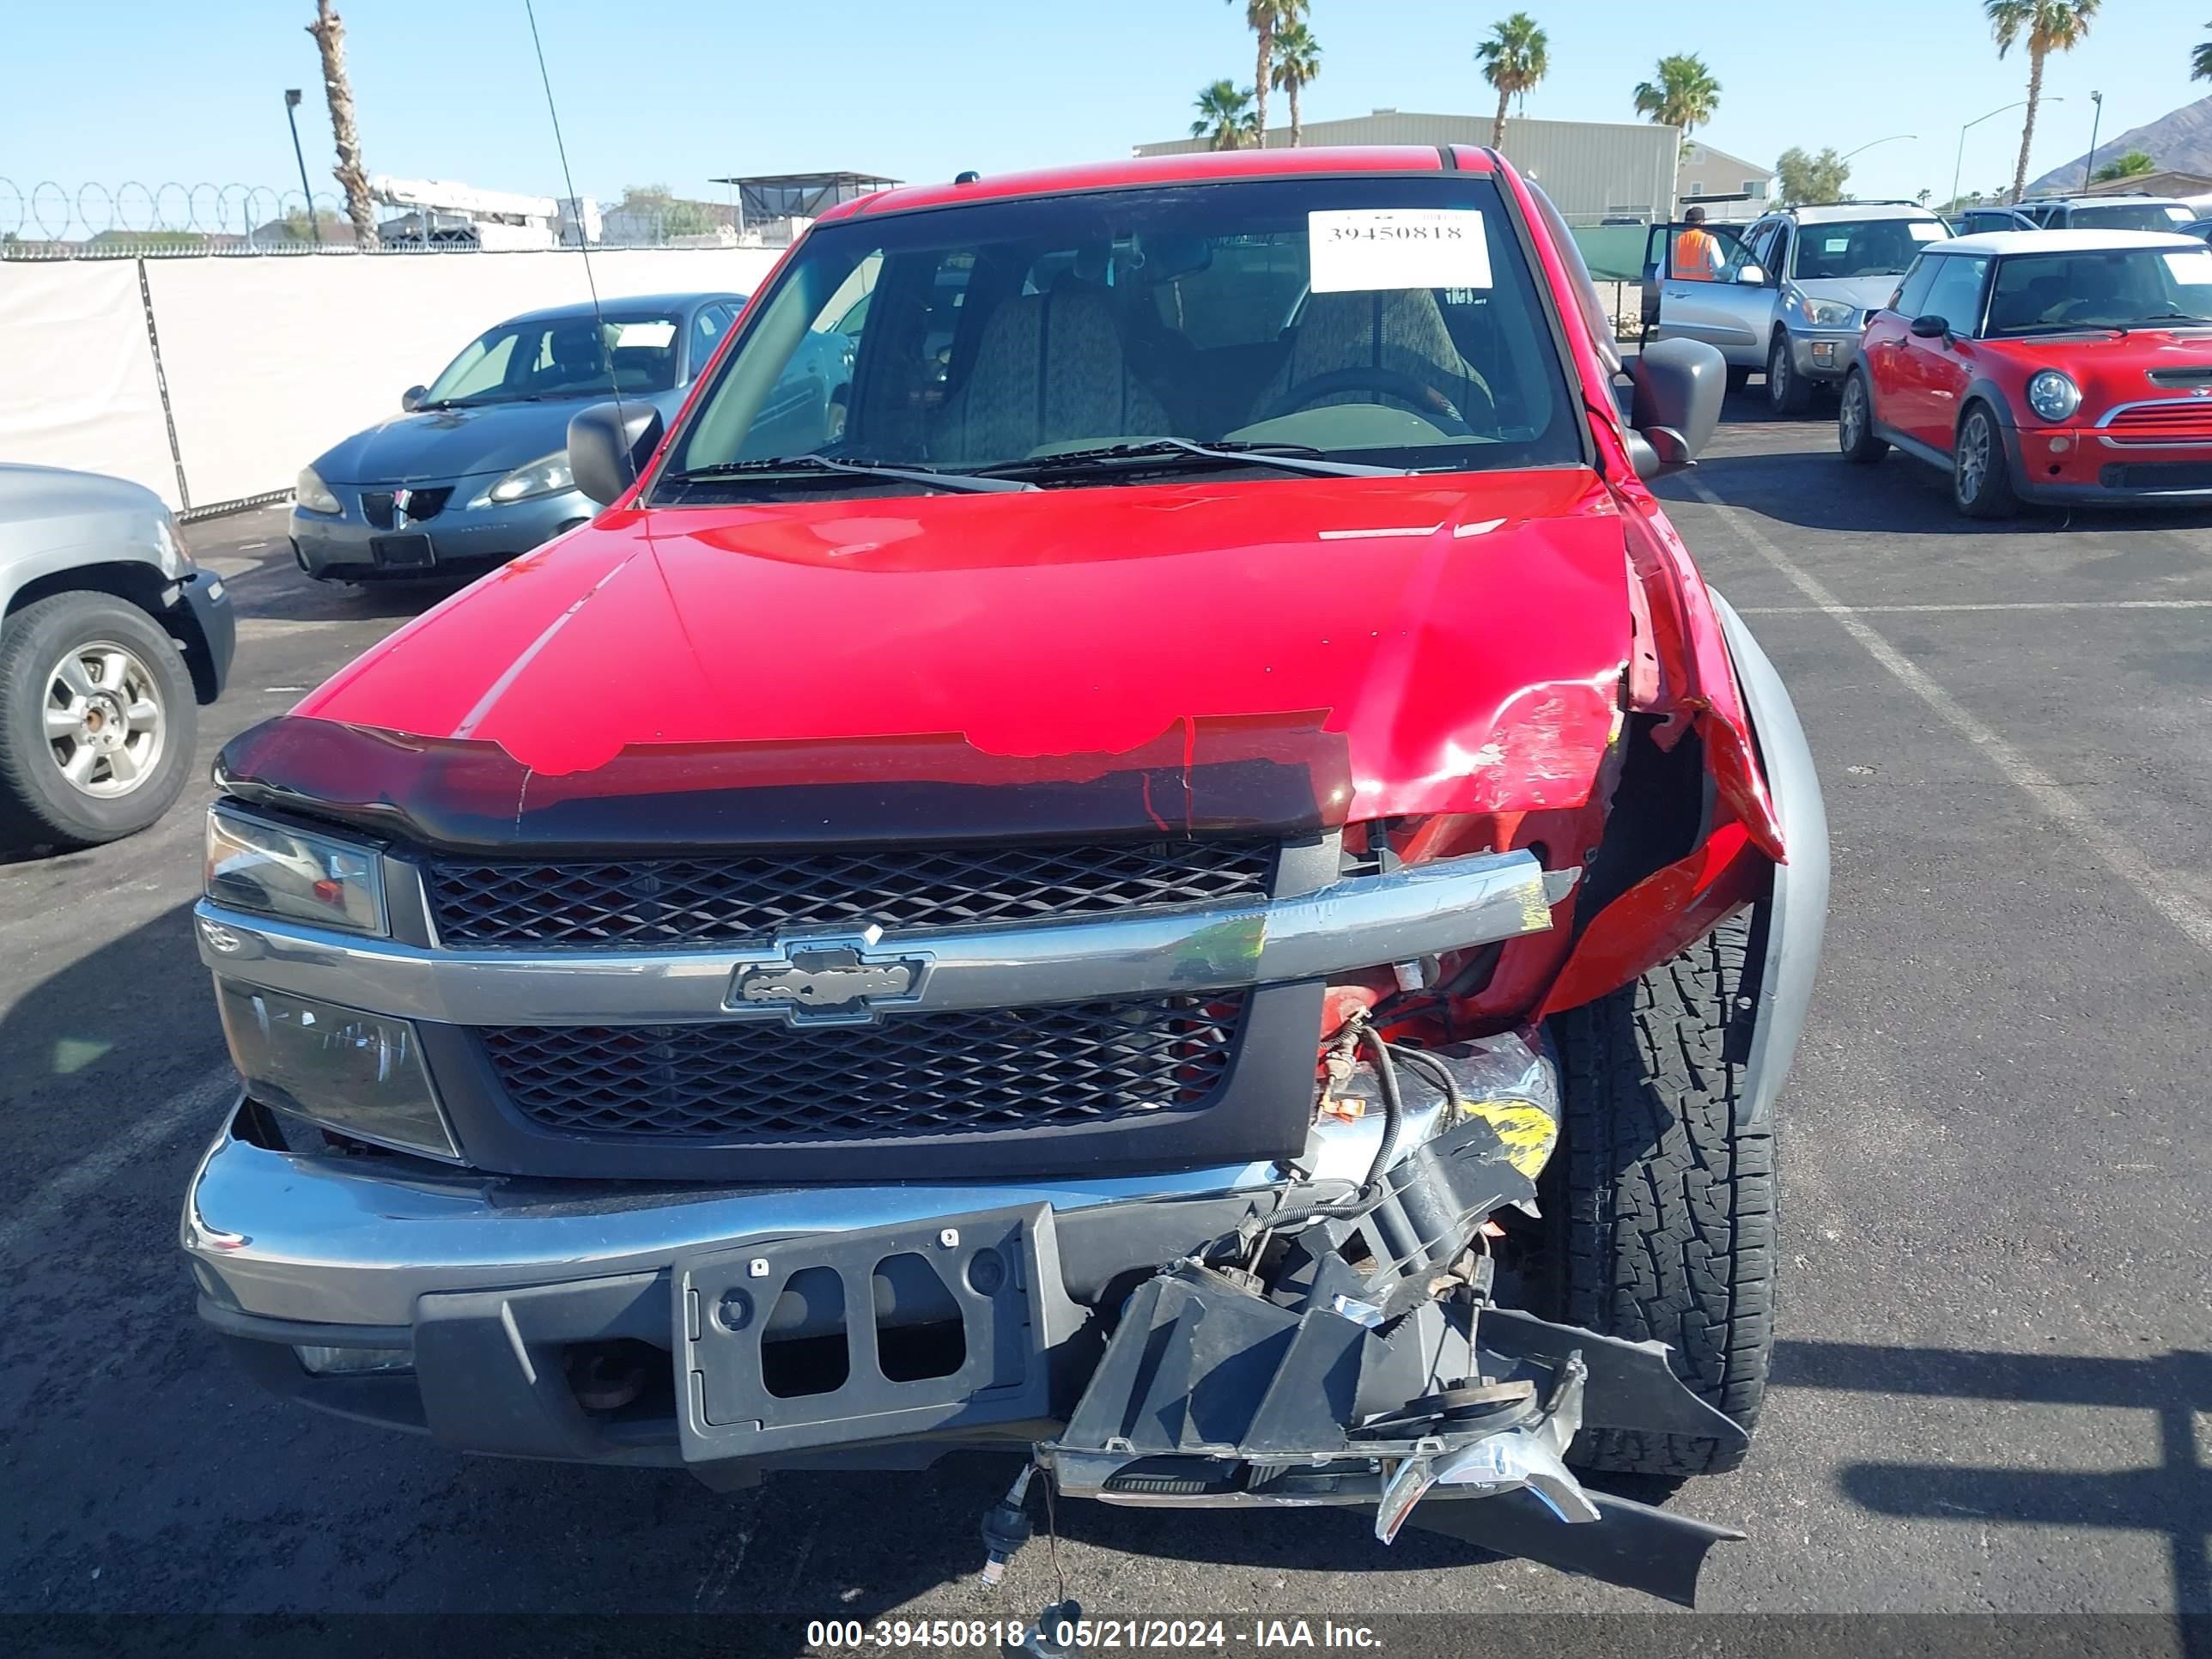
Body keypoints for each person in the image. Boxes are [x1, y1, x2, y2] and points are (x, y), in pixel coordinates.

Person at [1673, 206, 1723, 283]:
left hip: (1678, 291)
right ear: (1702, 223)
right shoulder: (1709, 241)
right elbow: (1721, 272)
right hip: (1702, 291)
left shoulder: (1675, 243)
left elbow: (1659, 276)